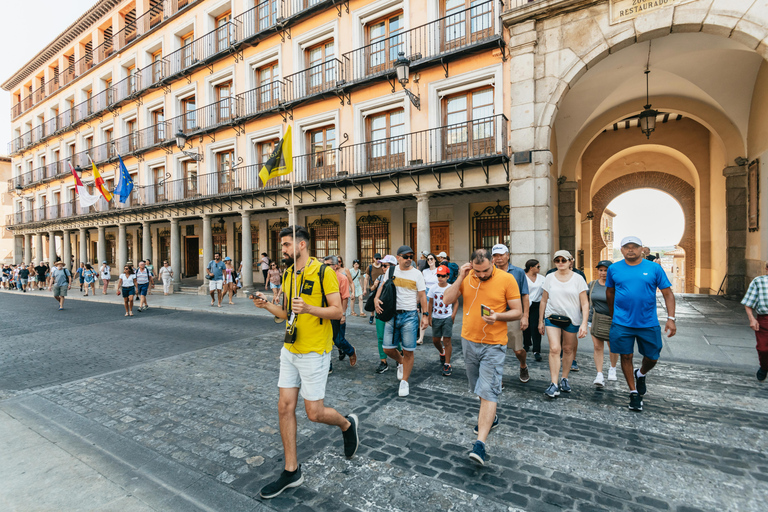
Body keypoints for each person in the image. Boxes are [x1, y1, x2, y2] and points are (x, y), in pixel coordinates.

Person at [250, 226, 359, 499]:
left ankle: (346, 424)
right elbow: (286, 313)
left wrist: (310, 308)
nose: (283, 250)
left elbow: (337, 310)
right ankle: (291, 471)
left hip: (315, 352)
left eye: (287, 245)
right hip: (290, 348)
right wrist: (266, 305)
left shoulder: (324, 272)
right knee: (284, 407)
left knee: (315, 413)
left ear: (301, 245)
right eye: (282, 245)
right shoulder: (288, 274)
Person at [442, 249, 521, 465]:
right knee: (478, 388)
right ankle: (491, 416)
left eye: (485, 270)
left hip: (494, 343)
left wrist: (498, 316)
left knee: (488, 390)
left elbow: (518, 311)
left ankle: (480, 444)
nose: (482, 275)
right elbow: (447, 299)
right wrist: (460, 276)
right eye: (478, 271)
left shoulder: (507, 279)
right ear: (470, 266)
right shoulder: (467, 277)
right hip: (469, 340)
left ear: (492, 262)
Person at [606, 236, 676, 412]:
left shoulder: (654, 268)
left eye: (634, 247)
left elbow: (668, 293)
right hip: (622, 322)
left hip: (647, 322)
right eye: (626, 247)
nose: (631, 250)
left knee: (653, 356)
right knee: (626, 356)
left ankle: (641, 373)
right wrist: (614, 315)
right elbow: (610, 292)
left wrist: (671, 318)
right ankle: (633, 392)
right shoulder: (614, 269)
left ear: (642, 249)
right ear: (621, 250)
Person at [374, 245, 429, 397]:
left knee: (409, 351)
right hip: (392, 314)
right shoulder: (391, 271)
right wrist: (376, 298)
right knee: (387, 348)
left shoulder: (417, 274)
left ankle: (404, 381)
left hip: (410, 316)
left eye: (411, 256)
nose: (409, 259)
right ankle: (401, 362)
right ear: (398, 257)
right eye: (406, 256)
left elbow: (423, 295)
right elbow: (382, 286)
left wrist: (425, 315)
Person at [538, 250, 589, 398]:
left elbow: (585, 303)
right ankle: (554, 384)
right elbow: (543, 300)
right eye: (557, 260)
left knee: (567, 349)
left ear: (570, 261)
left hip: (572, 319)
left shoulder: (578, 279)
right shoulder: (549, 277)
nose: (560, 263)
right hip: (551, 317)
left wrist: (584, 324)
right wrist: (540, 320)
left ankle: (564, 378)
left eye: (563, 260)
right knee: (554, 349)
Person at [492, 244, 531, 383]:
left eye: (501, 255)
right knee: (494, 349)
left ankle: (523, 365)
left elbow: (525, 295)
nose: (499, 258)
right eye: (495, 255)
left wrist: (525, 316)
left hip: (513, 314)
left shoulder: (518, 272)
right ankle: (497, 378)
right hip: (494, 314)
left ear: (508, 255)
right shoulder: (489, 272)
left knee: (518, 350)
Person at [323, 256, 356, 374]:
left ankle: (350, 351)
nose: (324, 267)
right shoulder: (322, 277)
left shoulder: (342, 278)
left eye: (328, 265)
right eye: (324, 264)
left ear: (335, 266)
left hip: (337, 313)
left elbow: (345, 297)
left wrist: (342, 314)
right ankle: (328, 365)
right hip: (325, 313)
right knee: (326, 339)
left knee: (338, 340)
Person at [588, 260, 619, 387]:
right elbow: (585, 302)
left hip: (613, 319)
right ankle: (599, 374)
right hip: (595, 319)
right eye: (601, 270)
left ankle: (612, 368)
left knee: (612, 346)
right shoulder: (592, 284)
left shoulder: (616, 285)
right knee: (597, 347)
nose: (603, 273)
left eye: (606, 270)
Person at [427, 265, 458, 376]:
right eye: (438, 275)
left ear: (448, 276)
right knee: (435, 340)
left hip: (447, 318)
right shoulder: (433, 288)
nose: (440, 278)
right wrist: (429, 316)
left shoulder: (450, 287)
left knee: (447, 341)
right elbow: (430, 303)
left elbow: (456, 302)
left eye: (443, 276)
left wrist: (453, 315)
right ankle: (442, 351)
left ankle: (447, 364)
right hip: (436, 317)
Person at [371, 255, 399, 373]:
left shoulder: (398, 278)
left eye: (385, 265)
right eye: (382, 265)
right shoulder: (381, 277)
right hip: (381, 310)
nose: (383, 268)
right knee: (381, 337)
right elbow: (374, 291)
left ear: (393, 266)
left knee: (396, 337)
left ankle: (400, 357)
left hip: (394, 311)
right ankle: (383, 361)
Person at [743, 261, 768, 381]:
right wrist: (752, 319)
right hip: (764, 320)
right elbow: (748, 303)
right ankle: (764, 367)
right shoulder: (759, 281)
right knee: (763, 348)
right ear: (766, 269)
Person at [524, 259, 545, 362]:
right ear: (531, 268)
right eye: (538, 266)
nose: (539, 268)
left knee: (535, 327)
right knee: (525, 326)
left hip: (537, 305)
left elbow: (544, 293)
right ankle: (526, 344)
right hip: (525, 304)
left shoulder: (542, 278)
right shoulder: (523, 277)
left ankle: (537, 350)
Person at [366, 253, 385, 325]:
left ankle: (379, 315)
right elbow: (366, 278)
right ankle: (372, 315)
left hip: (381, 286)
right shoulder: (370, 267)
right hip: (373, 286)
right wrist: (365, 289)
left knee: (380, 301)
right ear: (374, 259)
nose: (378, 260)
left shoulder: (383, 266)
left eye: (379, 259)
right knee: (372, 301)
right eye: (377, 259)